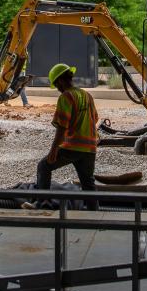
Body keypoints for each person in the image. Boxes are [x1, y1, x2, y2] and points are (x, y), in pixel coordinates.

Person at [29, 62, 99, 209]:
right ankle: (95, 213)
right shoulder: (87, 95)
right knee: (88, 183)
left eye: (56, 84)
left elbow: (62, 127)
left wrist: (53, 151)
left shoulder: (66, 97)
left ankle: (43, 204)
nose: (58, 89)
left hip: (73, 146)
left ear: (61, 80)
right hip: (90, 147)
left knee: (44, 166)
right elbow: (95, 119)